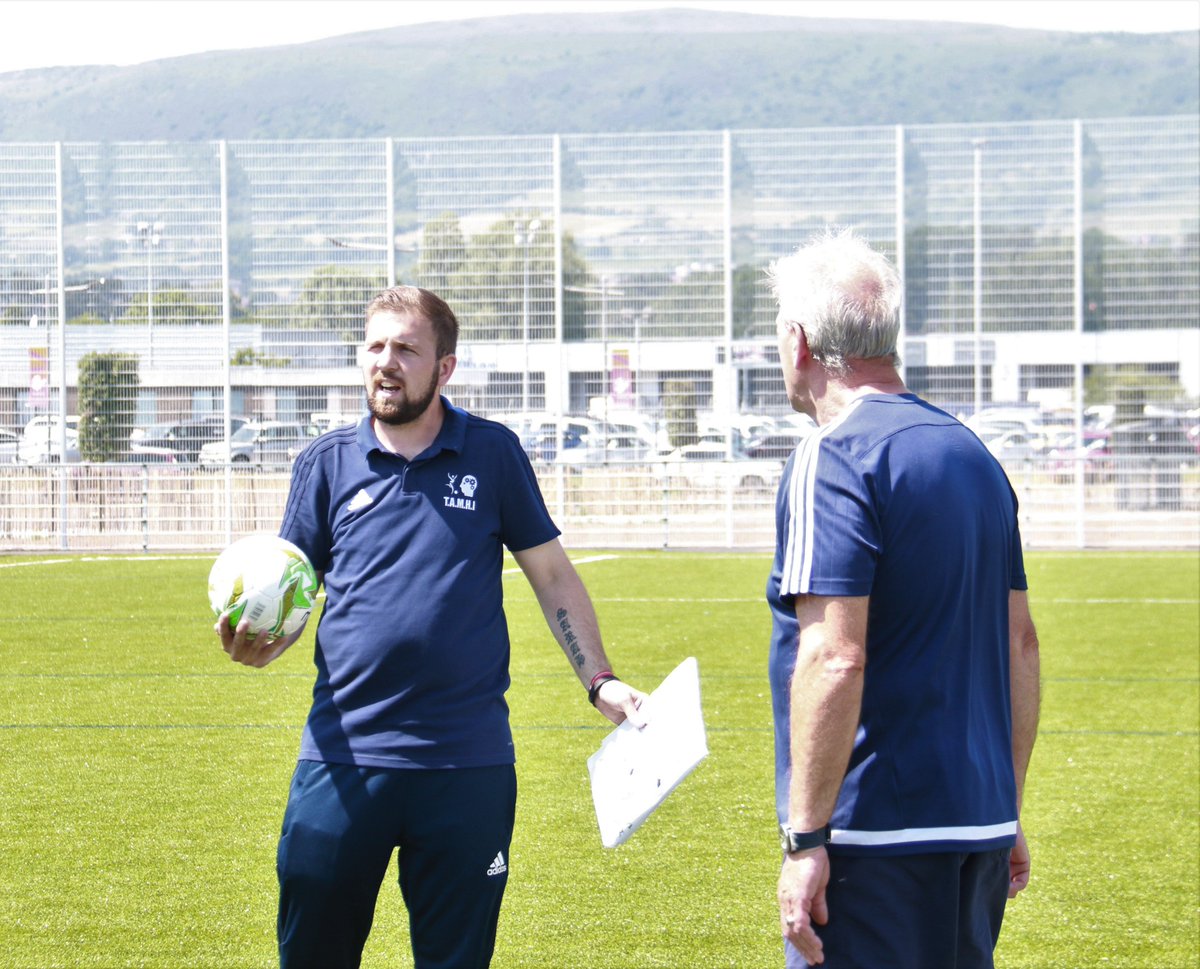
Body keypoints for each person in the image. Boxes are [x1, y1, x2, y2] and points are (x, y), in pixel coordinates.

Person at [215, 284, 646, 969]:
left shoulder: (493, 454)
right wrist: (264, 643)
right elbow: (292, 589)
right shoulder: (325, 465)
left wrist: (600, 681)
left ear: (445, 367)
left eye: (406, 348)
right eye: (376, 346)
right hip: (343, 759)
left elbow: (554, 576)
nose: (386, 362)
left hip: (466, 766)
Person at [765, 229, 1041, 968]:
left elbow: (833, 655)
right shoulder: (973, 454)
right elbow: (1022, 643)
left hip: (871, 835)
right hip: (975, 824)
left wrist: (806, 839)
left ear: (798, 342)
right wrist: (1005, 804)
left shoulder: (834, 455)